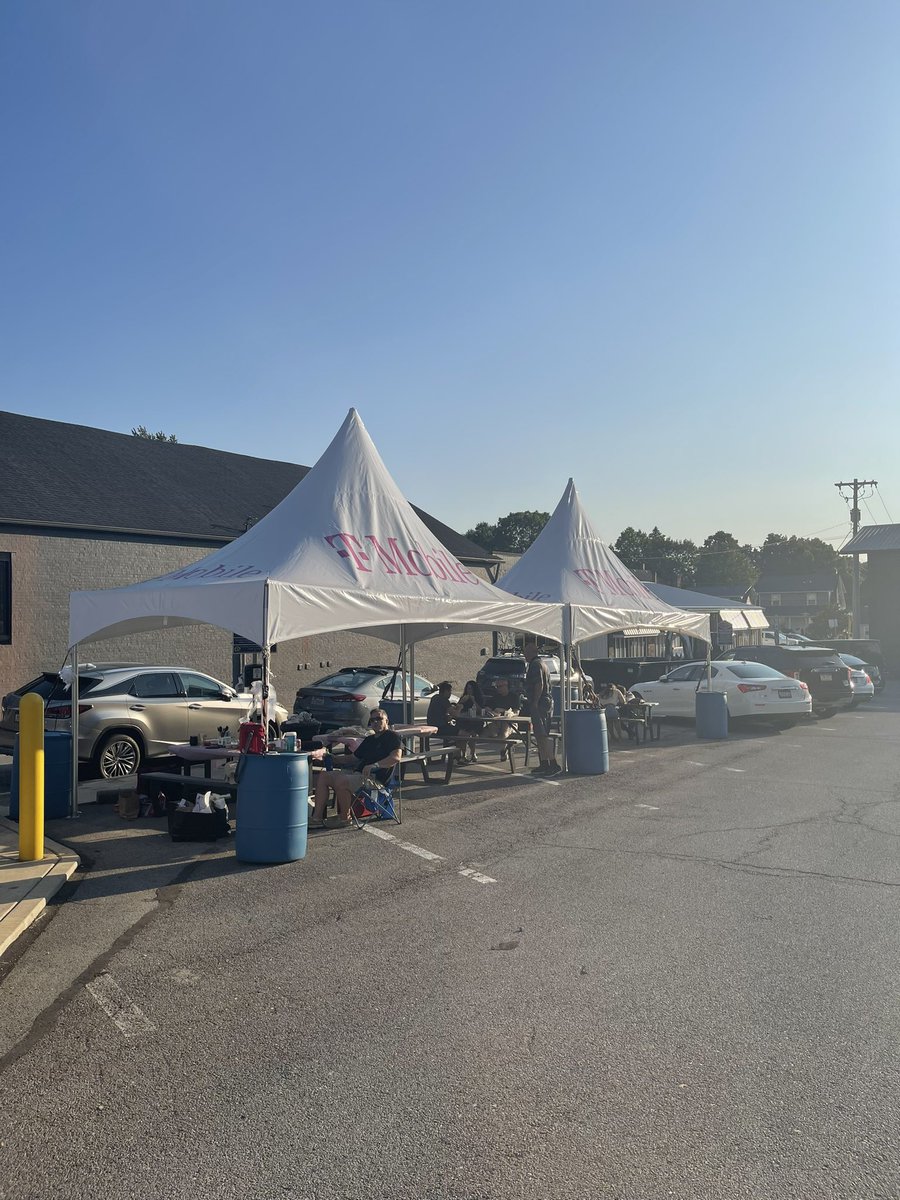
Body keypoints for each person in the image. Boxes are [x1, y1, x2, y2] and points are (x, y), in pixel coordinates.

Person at [309, 708, 402, 827]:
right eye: (372, 720)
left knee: (341, 781)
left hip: (375, 778)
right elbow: (352, 758)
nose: (375, 722)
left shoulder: (393, 736)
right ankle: (316, 818)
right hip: (359, 774)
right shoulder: (369, 739)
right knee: (324, 776)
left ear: (387, 720)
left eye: (378, 719)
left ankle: (345, 818)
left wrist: (375, 765)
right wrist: (330, 757)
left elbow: (396, 757)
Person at [523, 643, 560, 775]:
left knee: (542, 735)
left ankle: (553, 763)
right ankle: (544, 763)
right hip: (546, 701)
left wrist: (535, 701)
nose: (524, 655)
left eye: (526, 653)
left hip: (540, 703)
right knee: (539, 735)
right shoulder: (543, 664)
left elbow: (539, 683)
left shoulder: (535, 665)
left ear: (531, 652)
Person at [456, 680, 486, 762]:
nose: (469, 691)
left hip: (476, 721)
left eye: (471, 689)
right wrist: (462, 701)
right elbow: (457, 708)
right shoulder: (464, 697)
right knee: (463, 732)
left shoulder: (479, 698)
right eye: (468, 689)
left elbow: (481, 711)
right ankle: (463, 754)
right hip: (464, 720)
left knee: (473, 733)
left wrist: (474, 701)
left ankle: (473, 753)